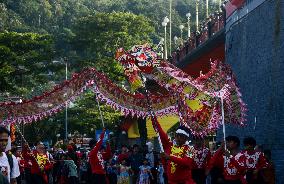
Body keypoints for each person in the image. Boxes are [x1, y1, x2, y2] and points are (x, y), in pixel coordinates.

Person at [151, 117, 195, 184]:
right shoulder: (169, 145)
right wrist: (154, 118)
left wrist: (169, 157)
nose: (178, 138)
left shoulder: (190, 149)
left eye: (181, 136)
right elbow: (160, 131)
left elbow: (186, 162)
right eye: (177, 136)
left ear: (186, 138)